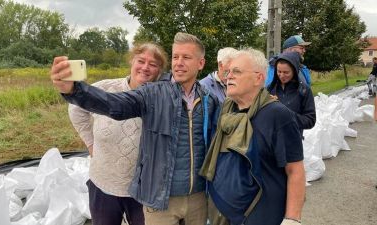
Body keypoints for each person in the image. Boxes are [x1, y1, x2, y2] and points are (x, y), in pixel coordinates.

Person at [51, 32, 220, 225]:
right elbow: (115, 104)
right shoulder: (153, 93)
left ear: (201, 63)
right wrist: (74, 89)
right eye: (175, 57)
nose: (179, 62)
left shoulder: (209, 99)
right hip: (156, 196)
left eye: (186, 57)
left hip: (197, 196)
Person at [200, 48, 306, 225]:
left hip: (260, 215)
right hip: (223, 213)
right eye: (228, 72)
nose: (229, 76)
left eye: (237, 72)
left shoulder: (278, 115)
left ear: (259, 78)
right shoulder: (227, 110)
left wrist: (292, 218)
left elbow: (295, 170)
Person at [68, 43, 168, 225]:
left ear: (160, 71)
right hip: (104, 182)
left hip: (143, 188)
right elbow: (75, 107)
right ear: (132, 61)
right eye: (141, 61)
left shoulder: (162, 99)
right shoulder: (107, 88)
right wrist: (90, 143)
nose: (145, 67)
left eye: (153, 64)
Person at [267, 51, 316, 134]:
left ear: (294, 70)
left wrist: (286, 115)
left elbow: (310, 120)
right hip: (272, 141)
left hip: (293, 141)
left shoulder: (304, 90)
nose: (282, 76)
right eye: (279, 71)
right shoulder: (270, 89)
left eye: (286, 72)